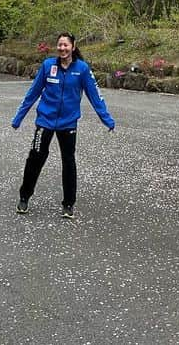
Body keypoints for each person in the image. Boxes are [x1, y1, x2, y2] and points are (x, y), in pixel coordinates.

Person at [11, 32, 115, 218]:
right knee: (35, 159)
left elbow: (95, 95)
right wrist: (18, 118)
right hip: (45, 121)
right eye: (59, 45)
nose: (62, 48)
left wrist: (106, 118)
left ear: (73, 47)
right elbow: (33, 93)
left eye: (66, 45)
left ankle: (68, 204)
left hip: (68, 123)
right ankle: (24, 197)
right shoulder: (48, 65)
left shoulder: (82, 69)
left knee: (68, 162)